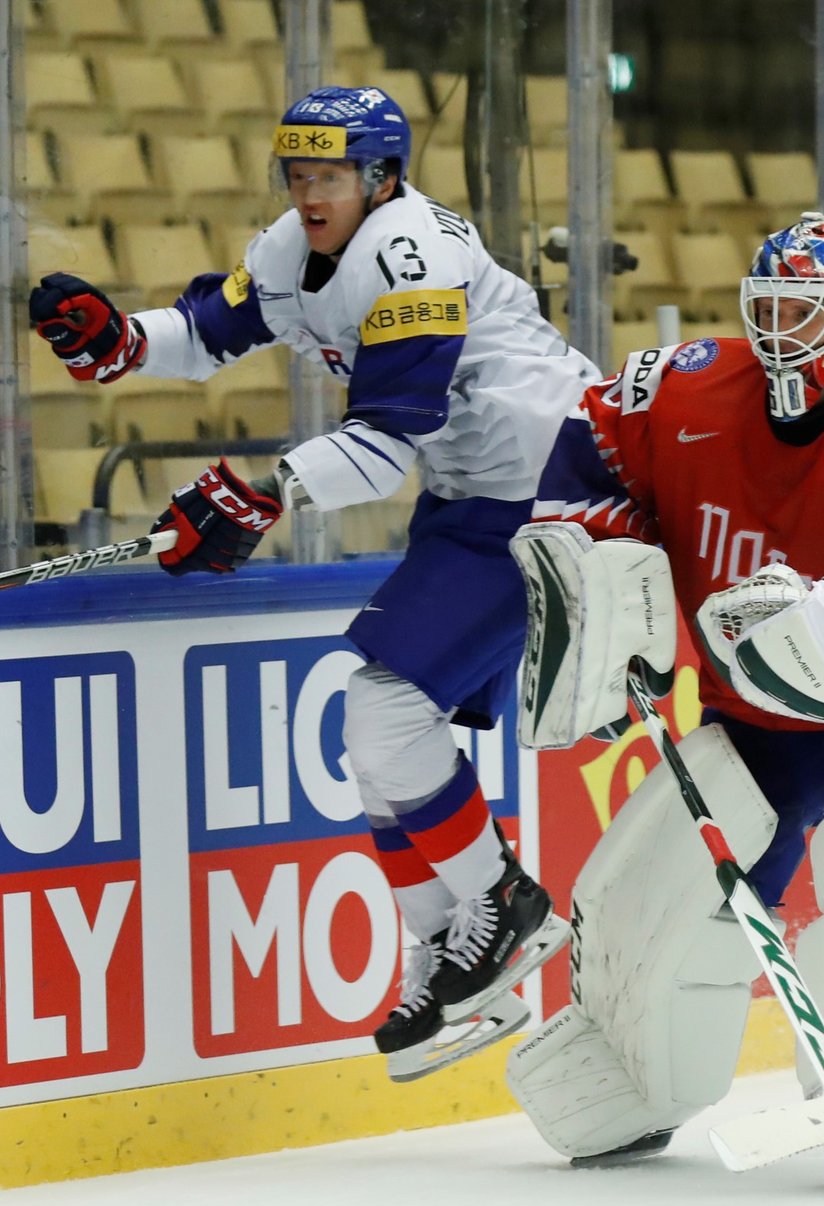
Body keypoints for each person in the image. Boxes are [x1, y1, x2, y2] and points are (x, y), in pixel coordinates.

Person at [29, 85, 598, 1081]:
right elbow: (216, 327)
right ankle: (452, 953)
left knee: (383, 714)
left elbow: (391, 436)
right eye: (296, 174)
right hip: (478, 494)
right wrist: (125, 345)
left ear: (381, 176)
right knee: (376, 737)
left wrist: (267, 491)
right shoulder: (297, 246)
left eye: (328, 174)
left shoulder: (409, 253)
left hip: (548, 487)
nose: (309, 192)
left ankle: (505, 907)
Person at [505, 212, 824, 1187]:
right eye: (771, 305)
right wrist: (605, 569)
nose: (784, 324)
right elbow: (597, 440)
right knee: (650, 889)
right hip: (764, 712)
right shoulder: (690, 384)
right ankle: (637, 1069)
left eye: (809, 307)